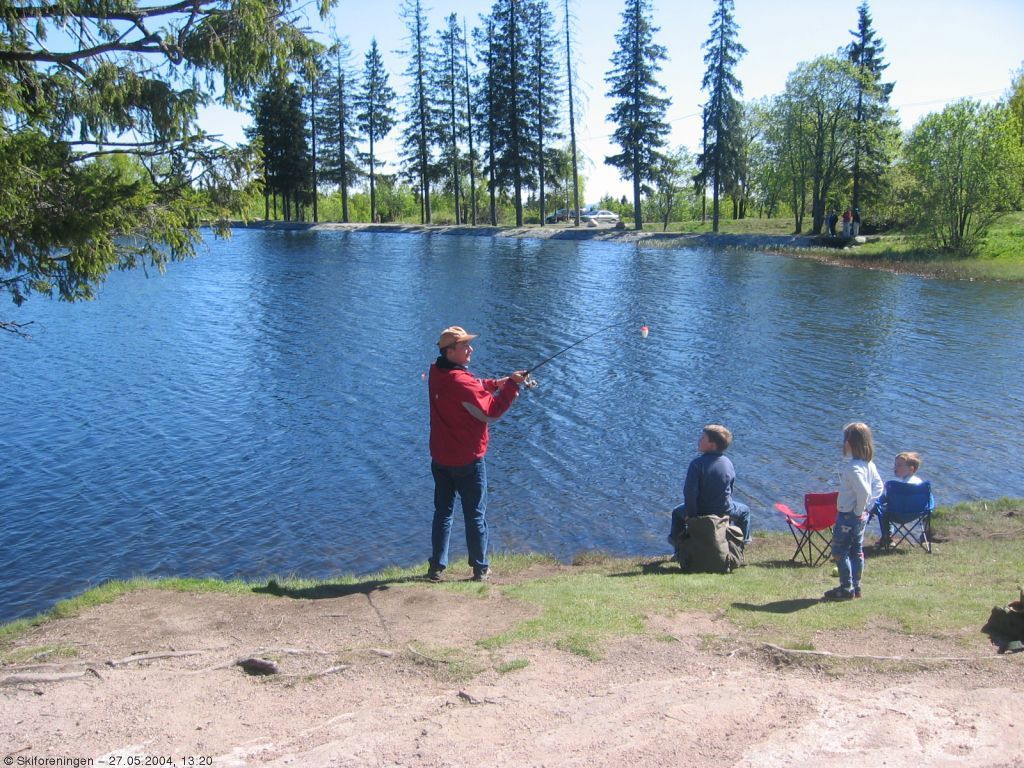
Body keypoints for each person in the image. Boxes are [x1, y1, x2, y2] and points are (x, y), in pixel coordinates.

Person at [427, 326, 526, 583]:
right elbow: (491, 412)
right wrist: (513, 387)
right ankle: (480, 569)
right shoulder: (460, 382)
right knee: (475, 514)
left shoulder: (436, 372)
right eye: (465, 346)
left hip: (440, 458)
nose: (471, 349)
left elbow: (473, 386)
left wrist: (497, 383)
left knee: (443, 513)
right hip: (467, 460)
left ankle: (436, 568)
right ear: (450, 351)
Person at [668, 424, 752, 554]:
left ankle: (677, 550)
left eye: (703, 438)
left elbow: (690, 493)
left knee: (676, 513)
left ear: (712, 445)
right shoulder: (728, 463)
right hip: (724, 509)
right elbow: (729, 489)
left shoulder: (696, 464)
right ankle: (740, 546)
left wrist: (692, 515)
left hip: (701, 510)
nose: (699, 440)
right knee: (745, 511)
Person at [824, 422, 884, 601]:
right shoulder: (869, 465)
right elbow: (878, 486)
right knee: (856, 550)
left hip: (849, 515)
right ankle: (856, 587)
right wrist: (867, 507)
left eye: (845, 439)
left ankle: (846, 588)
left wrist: (859, 509)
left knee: (839, 550)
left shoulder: (853, 468)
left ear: (850, 443)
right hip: (860, 516)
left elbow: (864, 490)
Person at [872, 451, 926, 547]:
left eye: (899, 465)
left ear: (911, 469)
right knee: (882, 504)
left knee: (878, 506)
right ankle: (887, 537)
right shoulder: (921, 484)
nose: (895, 467)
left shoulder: (897, 486)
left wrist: (876, 501)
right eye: (895, 465)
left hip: (897, 515)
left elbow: (886, 500)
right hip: (916, 514)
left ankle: (886, 537)